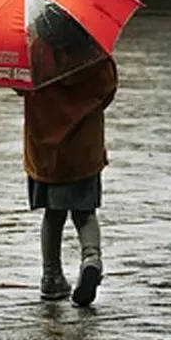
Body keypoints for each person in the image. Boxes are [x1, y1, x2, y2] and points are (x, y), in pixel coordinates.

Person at [19, 57, 117, 307]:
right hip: (83, 147)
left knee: (53, 214)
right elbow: (108, 89)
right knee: (85, 213)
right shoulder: (94, 52)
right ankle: (91, 257)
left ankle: (52, 277)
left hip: (45, 150)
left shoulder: (34, 51)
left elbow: (19, 85)